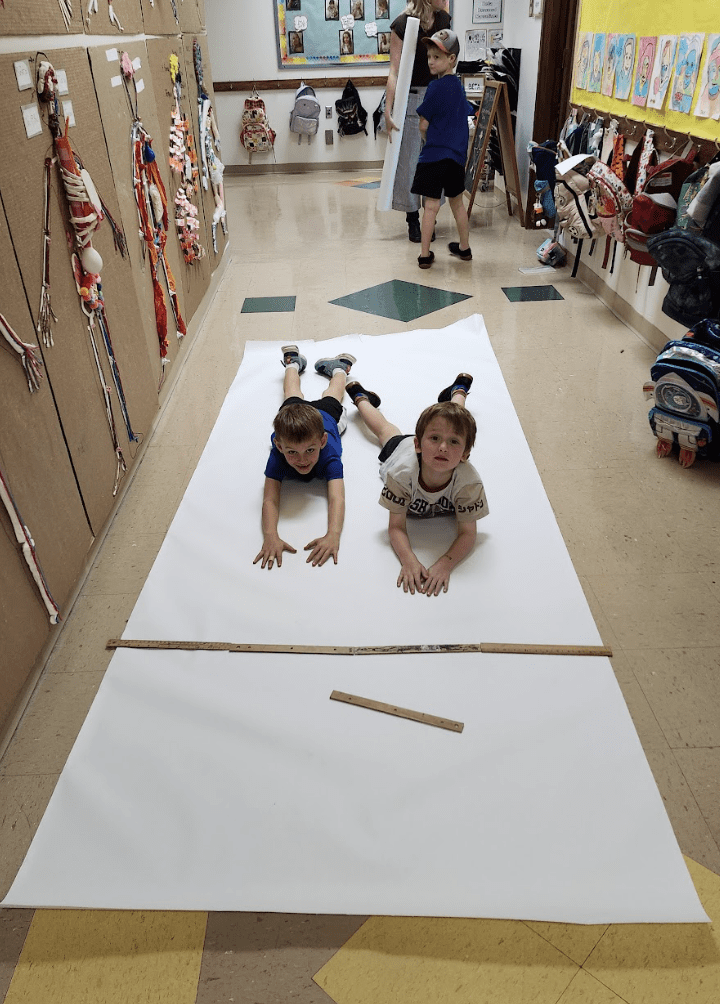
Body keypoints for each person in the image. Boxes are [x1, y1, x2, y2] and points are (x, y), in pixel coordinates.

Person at [345, 373, 488, 595]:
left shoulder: (469, 483)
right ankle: (360, 398)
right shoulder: (402, 474)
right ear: (418, 444)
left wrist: (445, 564)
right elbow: (395, 527)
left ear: (465, 454)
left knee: (456, 422)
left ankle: (459, 391)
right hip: (400, 450)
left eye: (454, 442)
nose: (443, 447)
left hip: (431, 448)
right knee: (384, 430)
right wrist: (408, 559)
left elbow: (468, 534)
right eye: (434, 439)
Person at [254, 345, 355, 570]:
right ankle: (293, 363)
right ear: (279, 446)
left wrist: (333, 534)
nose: (302, 460)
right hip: (295, 417)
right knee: (292, 395)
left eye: (310, 450)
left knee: (332, 395)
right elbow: (269, 499)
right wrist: (270, 536)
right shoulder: (278, 454)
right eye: (292, 452)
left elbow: (337, 498)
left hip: (326, 416)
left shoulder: (329, 455)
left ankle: (339, 369)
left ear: (322, 442)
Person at [385, 0, 451, 242]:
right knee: (410, 164)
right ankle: (412, 219)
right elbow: (394, 70)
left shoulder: (443, 19)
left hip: (438, 98)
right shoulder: (402, 25)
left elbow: (448, 63)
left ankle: (430, 218)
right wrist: (388, 110)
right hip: (411, 99)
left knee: (436, 163)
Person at [410, 28, 474, 269]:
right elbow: (464, 116)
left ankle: (425, 254)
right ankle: (465, 248)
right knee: (457, 204)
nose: (431, 61)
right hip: (455, 158)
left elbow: (423, 124)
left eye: (437, 57)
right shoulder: (459, 87)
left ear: (452, 59)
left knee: (431, 206)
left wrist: (426, 139)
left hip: (433, 156)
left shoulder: (434, 88)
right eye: (429, 56)